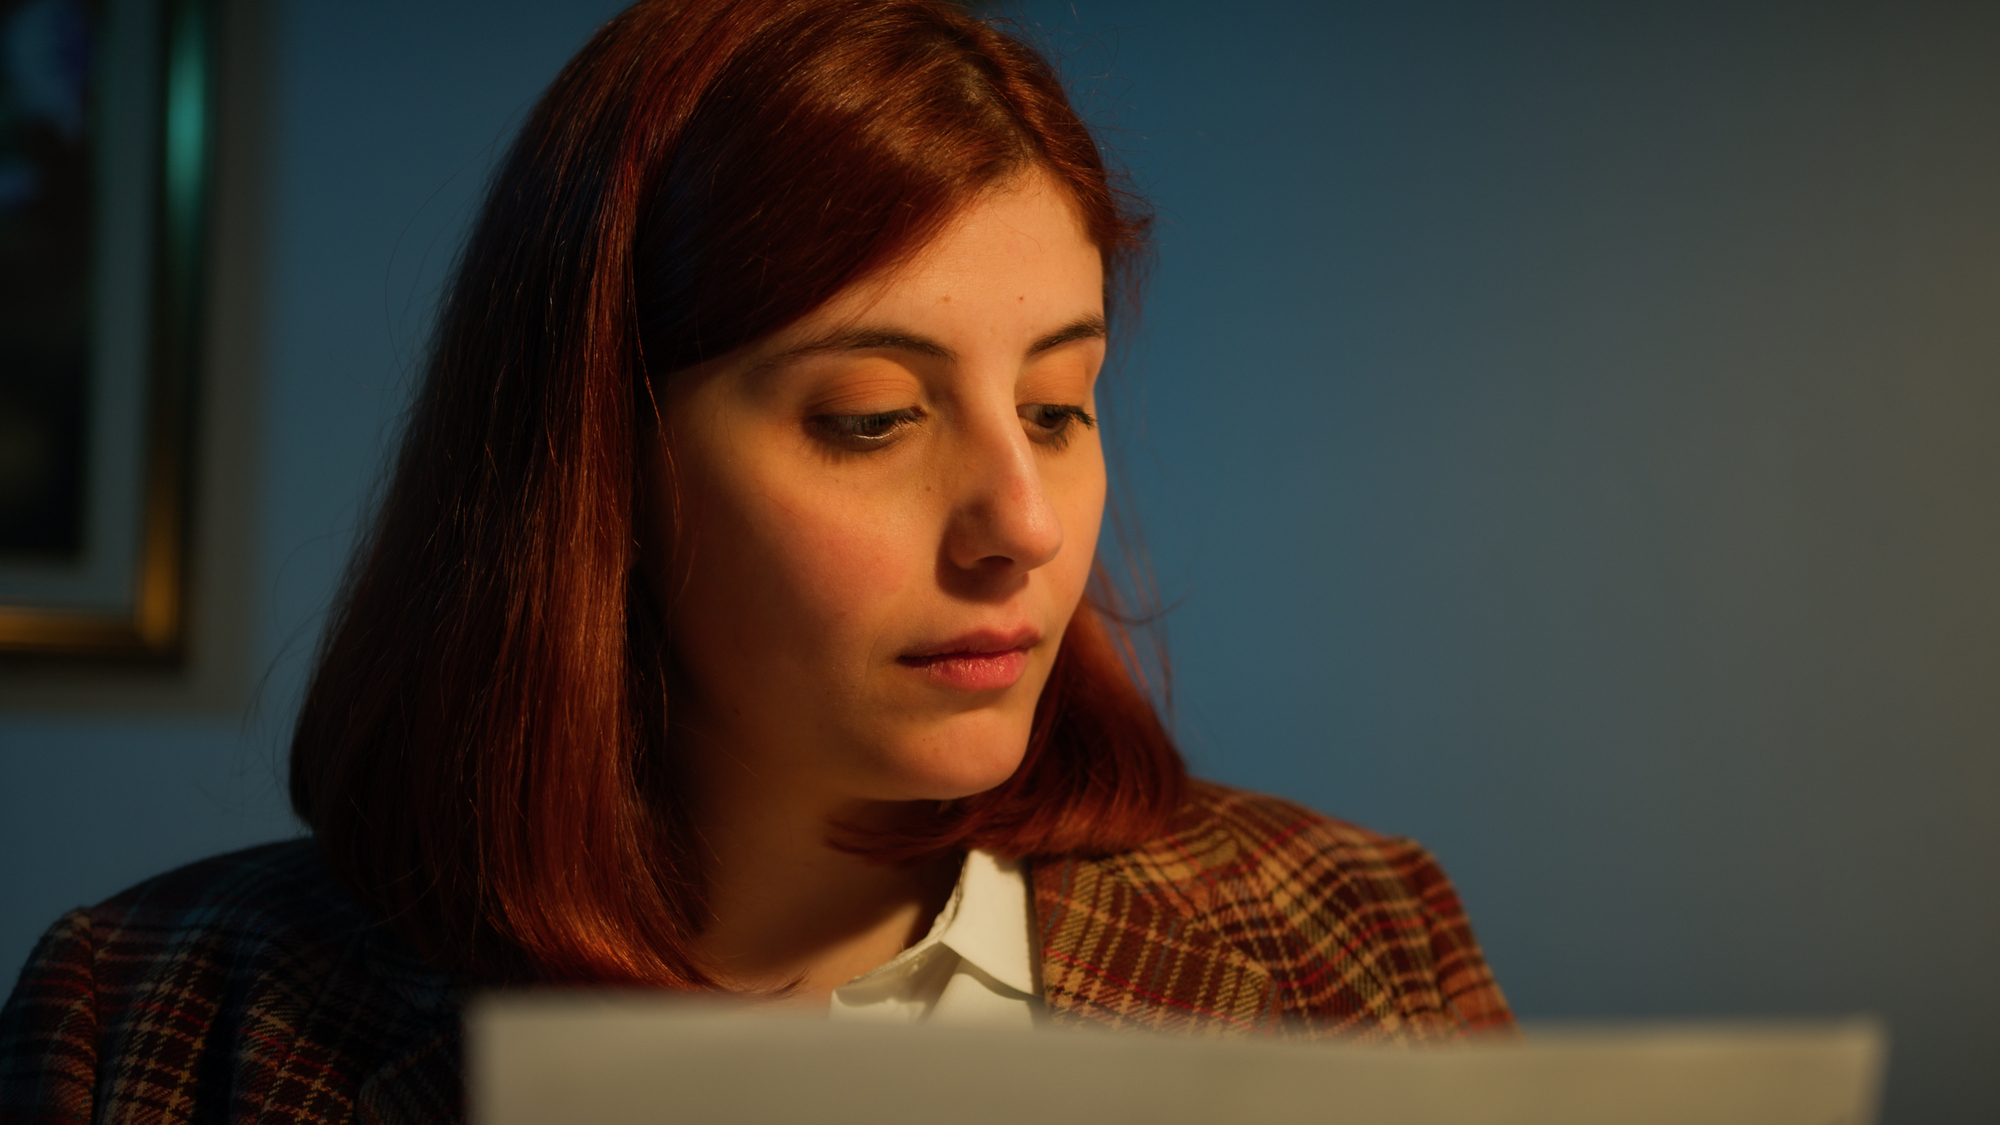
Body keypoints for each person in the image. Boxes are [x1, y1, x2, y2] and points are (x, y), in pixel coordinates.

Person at [0, 0, 1512, 1119]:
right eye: (870, 417)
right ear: (602, 468)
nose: (1026, 523)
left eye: (1058, 407)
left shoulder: (1354, 942)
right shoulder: (143, 1020)